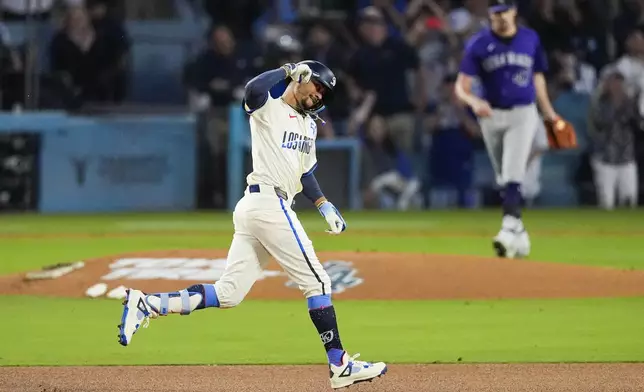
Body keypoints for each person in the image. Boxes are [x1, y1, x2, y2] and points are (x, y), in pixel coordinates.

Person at [117, 61, 388, 389]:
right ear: (302, 80)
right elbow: (252, 90)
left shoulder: (309, 126)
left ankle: (148, 303)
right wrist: (288, 69)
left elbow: (305, 173)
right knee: (318, 282)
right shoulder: (269, 107)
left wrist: (323, 204)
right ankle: (340, 364)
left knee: (229, 293)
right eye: (316, 86)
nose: (318, 94)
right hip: (266, 204)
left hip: (264, 207)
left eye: (323, 92)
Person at [454, 0, 564, 259]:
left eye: (504, 11)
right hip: (491, 115)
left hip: (523, 112)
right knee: (504, 177)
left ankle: (507, 229)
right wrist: (473, 101)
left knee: (513, 172)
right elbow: (461, 86)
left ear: (514, 11)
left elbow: (538, 78)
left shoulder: (530, 39)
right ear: (490, 15)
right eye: (496, 13)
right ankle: (521, 236)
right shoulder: (479, 44)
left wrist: (549, 114)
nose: (500, 17)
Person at [588, 67, 641, 209]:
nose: (617, 86)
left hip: (626, 157)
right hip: (605, 158)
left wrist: (631, 102)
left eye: (619, 83)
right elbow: (600, 123)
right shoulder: (599, 103)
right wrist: (615, 104)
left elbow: (637, 124)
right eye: (613, 83)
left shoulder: (630, 104)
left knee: (629, 199)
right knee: (606, 201)